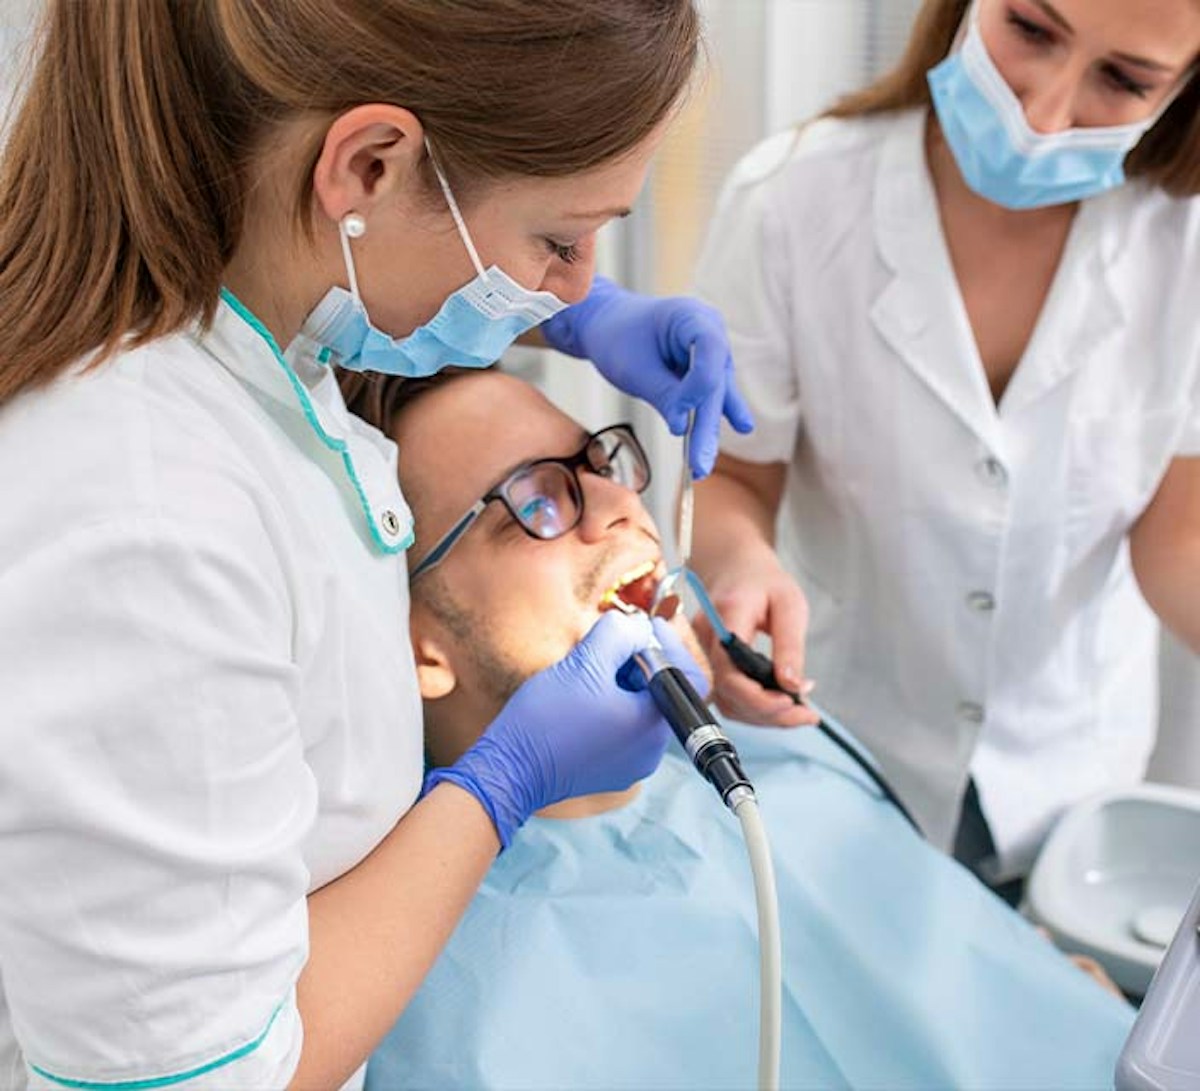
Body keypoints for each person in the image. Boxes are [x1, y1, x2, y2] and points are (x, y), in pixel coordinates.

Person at [0, 3, 753, 1087]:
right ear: (368, 165)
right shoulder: (142, 519)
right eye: (559, 240)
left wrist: (559, 311)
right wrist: (501, 782)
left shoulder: (237, 300)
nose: (583, 281)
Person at [341, 366, 1133, 1091]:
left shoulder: (779, 756)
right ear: (416, 644)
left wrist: (1047, 1002)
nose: (622, 506)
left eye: (600, 463)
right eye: (537, 502)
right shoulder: (434, 1004)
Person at [690, 0, 1200, 898]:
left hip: (1071, 793)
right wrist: (743, 566)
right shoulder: (793, 199)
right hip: (838, 751)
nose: (1043, 114)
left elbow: (1176, 536)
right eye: (1031, 30)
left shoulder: (1183, 245)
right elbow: (733, 476)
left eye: (1124, 81)